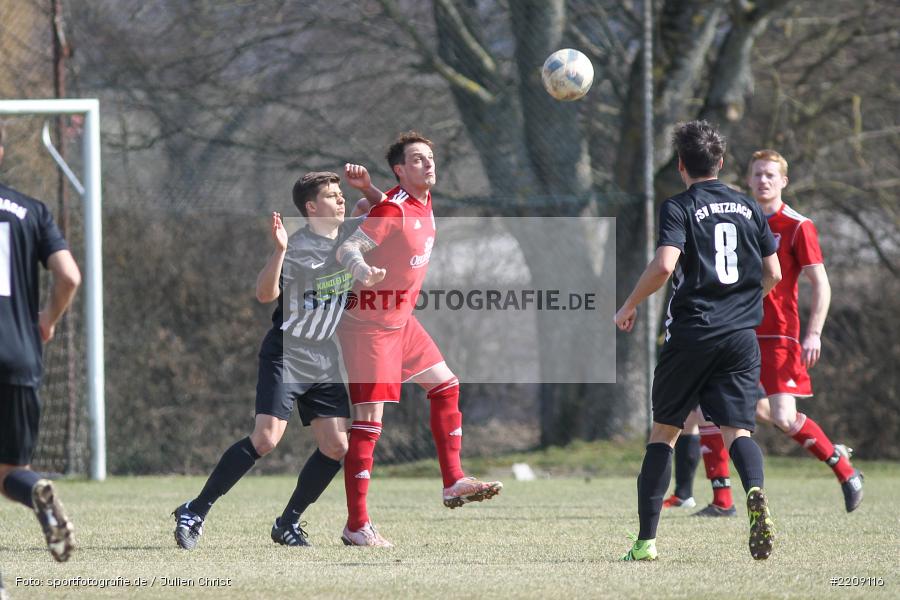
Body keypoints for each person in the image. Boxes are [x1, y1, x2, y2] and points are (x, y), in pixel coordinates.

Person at [173, 165, 384, 549]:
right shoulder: (298, 246)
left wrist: (367, 189)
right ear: (310, 206)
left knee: (337, 447)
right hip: (287, 353)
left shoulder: (353, 234)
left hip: (322, 355)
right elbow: (264, 294)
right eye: (331, 195)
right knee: (266, 439)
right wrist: (279, 250)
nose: (339, 199)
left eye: (340, 195)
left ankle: (288, 522)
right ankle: (195, 509)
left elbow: (388, 210)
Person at [614, 120, 782, 561]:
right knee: (738, 430)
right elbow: (774, 274)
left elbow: (665, 265)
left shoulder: (679, 206)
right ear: (721, 162)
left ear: (681, 166)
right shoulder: (749, 206)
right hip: (741, 338)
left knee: (663, 434)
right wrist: (742, 305)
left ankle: (646, 543)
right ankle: (756, 492)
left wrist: (629, 303)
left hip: (692, 334)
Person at [670, 150, 864, 516]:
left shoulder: (797, 225)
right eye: (757, 174)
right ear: (747, 178)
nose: (763, 181)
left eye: (770, 175)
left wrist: (814, 333)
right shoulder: (738, 218)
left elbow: (820, 283)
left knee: (784, 417)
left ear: (783, 181)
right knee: (706, 408)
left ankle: (843, 468)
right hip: (736, 329)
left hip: (778, 336)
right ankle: (723, 501)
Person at [335, 131, 502, 547]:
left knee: (446, 385)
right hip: (368, 327)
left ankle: (454, 481)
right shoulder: (393, 207)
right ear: (400, 169)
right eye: (417, 160)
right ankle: (357, 525)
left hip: (401, 322)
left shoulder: (415, 201)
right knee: (369, 423)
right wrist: (361, 269)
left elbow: (393, 208)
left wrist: (370, 191)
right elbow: (351, 246)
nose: (428, 164)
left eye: (430, 158)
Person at [0, 125, 81, 568]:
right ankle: (34, 490)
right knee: (8, 472)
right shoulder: (31, 209)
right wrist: (46, 321)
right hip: (20, 354)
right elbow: (69, 276)